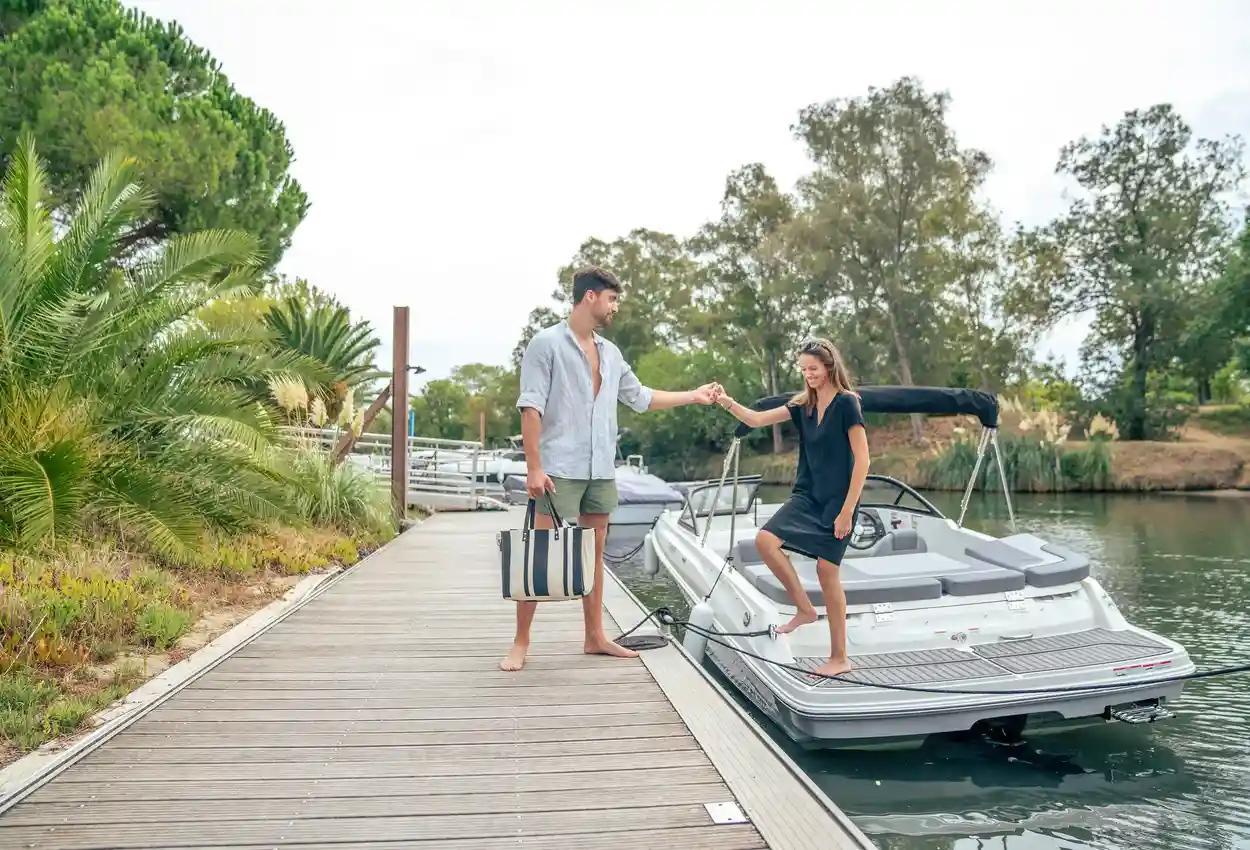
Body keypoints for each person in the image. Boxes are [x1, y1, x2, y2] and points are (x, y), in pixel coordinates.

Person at [504, 266, 718, 672]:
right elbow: (530, 407)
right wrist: (534, 467)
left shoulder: (611, 353)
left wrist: (694, 395)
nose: (615, 306)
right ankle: (521, 641)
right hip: (558, 468)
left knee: (594, 553)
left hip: (602, 469)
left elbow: (641, 398)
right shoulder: (545, 344)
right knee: (539, 553)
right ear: (590, 296)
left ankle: (595, 636)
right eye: (612, 299)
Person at [710, 338, 870, 677]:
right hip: (807, 495)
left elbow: (863, 461)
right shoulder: (802, 405)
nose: (808, 375)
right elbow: (756, 420)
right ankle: (804, 609)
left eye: (813, 368)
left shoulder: (847, 403)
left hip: (840, 500)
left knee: (827, 572)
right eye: (803, 370)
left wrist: (846, 512)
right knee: (765, 540)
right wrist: (726, 401)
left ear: (829, 367)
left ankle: (840, 657)